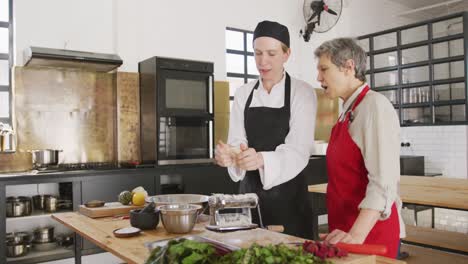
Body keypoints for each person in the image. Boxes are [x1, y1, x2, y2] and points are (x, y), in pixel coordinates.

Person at [215, 20, 317, 238]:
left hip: (291, 201)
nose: (263, 61)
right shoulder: (243, 93)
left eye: (271, 53)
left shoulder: (302, 92)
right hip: (250, 200)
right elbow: (237, 141)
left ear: (286, 54)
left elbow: (299, 149)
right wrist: (230, 156)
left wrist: (260, 159)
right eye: (258, 53)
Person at [314, 37, 405, 258]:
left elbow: (383, 182)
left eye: (324, 69)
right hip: (345, 229)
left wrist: (356, 235)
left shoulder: (374, 106)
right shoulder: (348, 111)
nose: (319, 78)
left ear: (348, 67)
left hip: (370, 233)